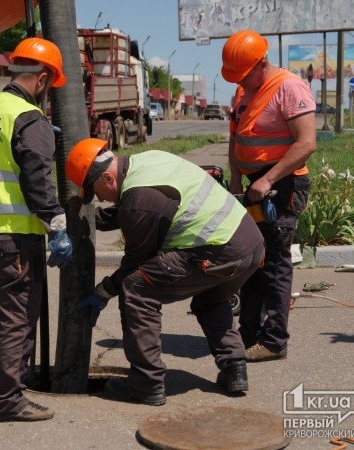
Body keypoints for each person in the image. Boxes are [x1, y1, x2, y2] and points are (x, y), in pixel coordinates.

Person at [65, 138, 265, 405]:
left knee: (136, 289)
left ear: (106, 178)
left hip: (218, 254)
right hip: (250, 245)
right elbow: (142, 207)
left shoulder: (139, 201)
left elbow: (136, 260)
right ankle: (234, 369)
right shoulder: (146, 163)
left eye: (95, 191)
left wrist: (103, 292)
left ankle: (146, 384)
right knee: (211, 299)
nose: (99, 199)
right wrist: (90, 222)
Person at [0, 37, 72, 422]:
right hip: (14, 237)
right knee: (16, 318)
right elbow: (38, 179)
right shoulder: (29, 118)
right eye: (49, 87)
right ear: (41, 79)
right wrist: (56, 224)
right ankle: (8, 399)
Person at [221, 30, 316, 362]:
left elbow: (306, 144)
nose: (241, 82)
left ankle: (274, 341)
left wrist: (269, 178)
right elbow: (236, 138)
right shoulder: (242, 91)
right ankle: (248, 334)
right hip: (252, 185)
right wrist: (235, 180)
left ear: (261, 63)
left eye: (245, 75)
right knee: (251, 260)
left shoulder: (289, 87)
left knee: (274, 263)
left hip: (281, 186)